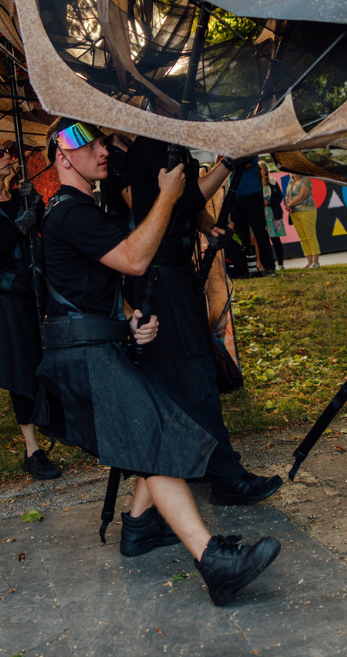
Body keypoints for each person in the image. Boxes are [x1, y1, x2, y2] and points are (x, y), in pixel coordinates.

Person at [38, 118, 280, 604]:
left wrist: (127, 322)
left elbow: (86, 290)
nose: (103, 151)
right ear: (63, 158)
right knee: (154, 438)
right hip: (83, 359)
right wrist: (168, 193)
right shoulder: (71, 213)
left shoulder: (83, 208)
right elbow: (134, 260)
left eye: (105, 141)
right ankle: (211, 559)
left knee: (156, 433)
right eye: (90, 146)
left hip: (95, 346)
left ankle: (138, 527)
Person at [126, 138, 282, 512]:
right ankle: (225, 476)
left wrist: (209, 226)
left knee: (190, 372)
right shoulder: (146, 148)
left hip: (178, 272)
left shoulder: (172, 144)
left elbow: (187, 210)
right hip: (159, 276)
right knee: (194, 374)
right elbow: (179, 201)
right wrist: (228, 162)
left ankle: (199, 466)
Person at [0, 139, 61, 480]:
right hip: (8, 298)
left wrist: (37, 205)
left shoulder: (22, 195)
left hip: (38, 289)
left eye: (7, 150)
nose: (7, 157)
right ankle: (32, 450)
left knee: (48, 358)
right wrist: (19, 225)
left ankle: (57, 420)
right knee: (21, 370)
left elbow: (46, 231)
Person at [230, 156, 274, 274]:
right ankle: (249, 267)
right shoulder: (229, 151)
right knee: (242, 233)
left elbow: (240, 167)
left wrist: (229, 164)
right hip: (235, 197)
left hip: (251, 195)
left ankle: (268, 265)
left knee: (259, 232)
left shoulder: (250, 151)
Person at [285, 174, 320, 268]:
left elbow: (303, 196)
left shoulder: (305, 180)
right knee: (303, 238)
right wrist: (289, 206)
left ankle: (315, 262)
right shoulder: (291, 181)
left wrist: (290, 204)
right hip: (294, 212)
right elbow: (287, 196)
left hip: (307, 210)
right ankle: (309, 262)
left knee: (310, 237)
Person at [261, 163, 286, 270]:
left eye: (260, 169)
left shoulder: (272, 181)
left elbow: (280, 197)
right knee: (264, 241)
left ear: (265, 170)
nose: (259, 171)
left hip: (273, 214)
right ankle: (268, 263)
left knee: (276, 240)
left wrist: (269, 203)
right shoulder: (256, 183)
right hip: (261, 215)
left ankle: (280, 263)